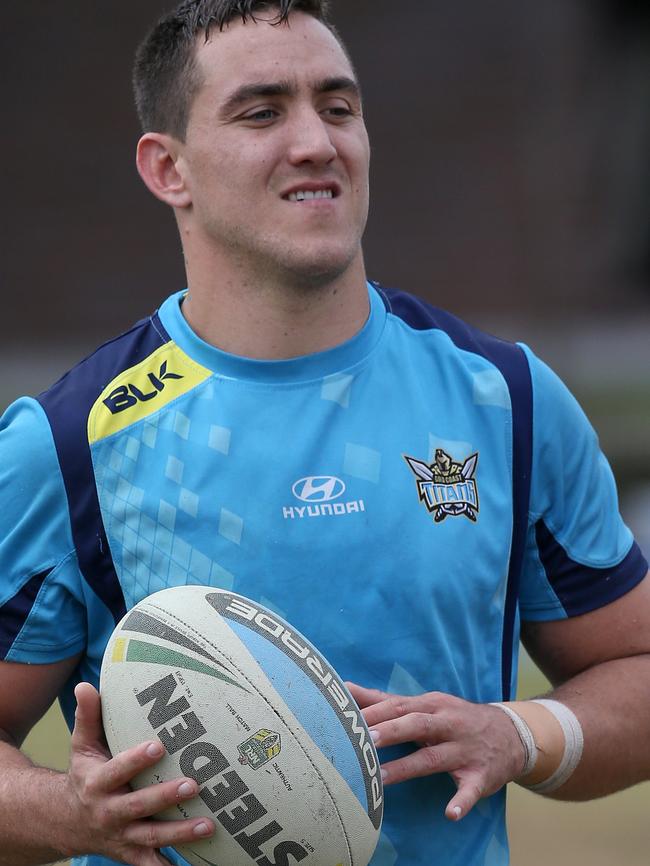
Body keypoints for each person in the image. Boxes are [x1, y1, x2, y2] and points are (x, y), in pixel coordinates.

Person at [0, 1, 648, 865]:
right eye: (262, 112)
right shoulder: (70, 441)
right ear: (169, 170)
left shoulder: (505, 398)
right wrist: (72, 814)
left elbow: (635, 668)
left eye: (338, 106)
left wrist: (521, 734)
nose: (317, 141)